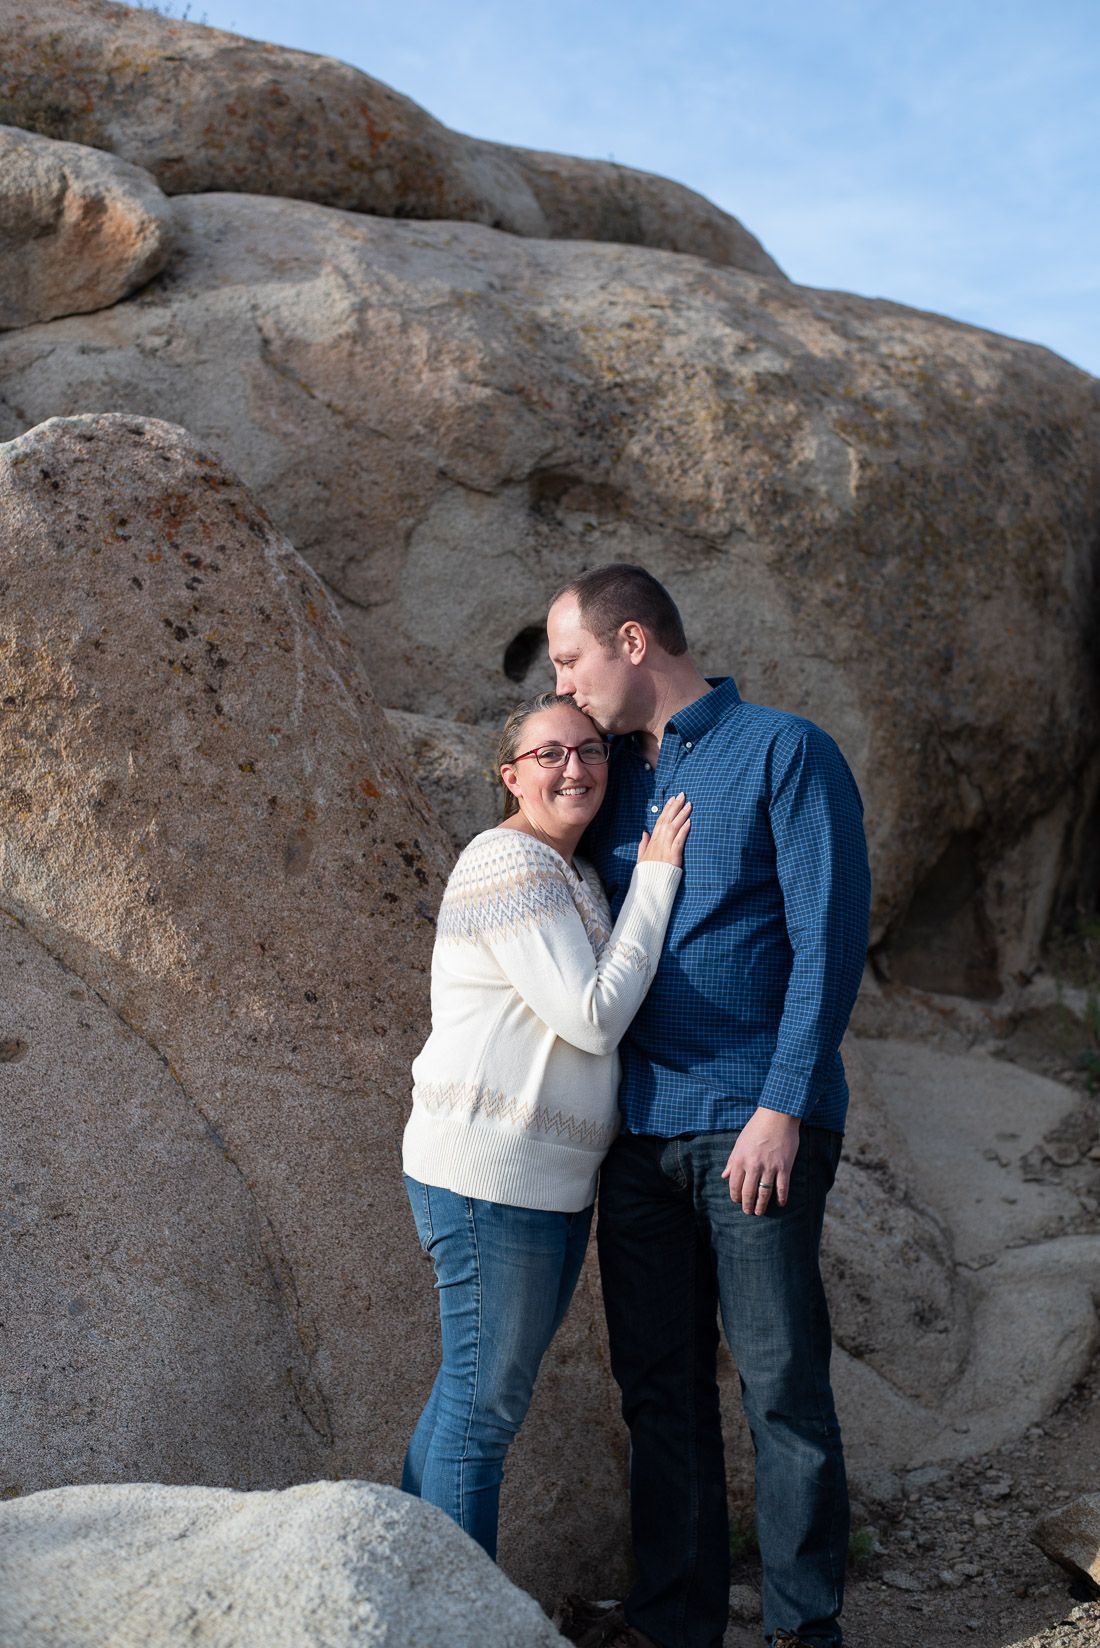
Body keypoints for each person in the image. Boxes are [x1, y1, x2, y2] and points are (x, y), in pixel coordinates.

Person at [546, 565, 871, 1648]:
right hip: (635, 1140)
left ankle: (799, 1628)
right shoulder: (607, 781)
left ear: (631, 641)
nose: (564, 682)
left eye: (569, 658)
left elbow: (826, 941)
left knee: (779, 1384)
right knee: (658, 1392)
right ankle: (671, 1623)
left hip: (754, 1125)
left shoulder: (786, 749)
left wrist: (781, 1105)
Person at [401, 690, 691, 1561]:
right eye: (550, 754)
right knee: (484, 1411)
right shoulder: (509, 862)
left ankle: (409, 1586)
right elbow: (594, 1016)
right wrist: (660, 879)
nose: (576, 767)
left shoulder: (574, 875)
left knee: (474, 1397)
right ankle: (457, 1621)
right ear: (510, 776)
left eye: (592, 750)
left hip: (546, 1182)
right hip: (491, 1174)